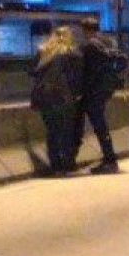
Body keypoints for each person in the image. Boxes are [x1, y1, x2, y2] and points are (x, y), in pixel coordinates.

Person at [73, 17, 127, 174]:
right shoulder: (109, 41)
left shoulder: (89, 45)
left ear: (86, 29)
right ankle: (109, 158)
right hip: (108, 88)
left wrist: (80, 89)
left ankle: (110, 159)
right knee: (99, 122)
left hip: (94, 89)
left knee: (98, 124)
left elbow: (86, 70)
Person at [29, 26, 84, 176]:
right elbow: (77, 78)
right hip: (62, 97)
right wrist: (77, 95)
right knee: (67, 132)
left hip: (43, 97)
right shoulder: (71, 53)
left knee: (52, 132)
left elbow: (32, 72)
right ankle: (68, 165)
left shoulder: (43, 51)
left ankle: (56, 166)